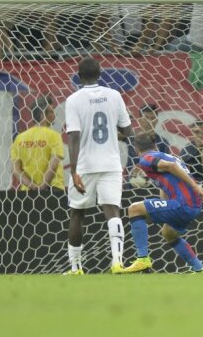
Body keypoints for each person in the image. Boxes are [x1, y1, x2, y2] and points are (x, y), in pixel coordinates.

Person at [64, 57, 134, 275]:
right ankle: (117, 263)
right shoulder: (115, 96)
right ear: (100, 74)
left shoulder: (74, 100)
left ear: (78, 76)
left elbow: (73, 136)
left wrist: (74, 171)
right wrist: (112, 134)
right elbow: (128, 131)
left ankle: (76, 268)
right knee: (113, 211)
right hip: (111, 163)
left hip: (85, 165)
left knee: (77, 213)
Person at [121, 132, 203, 274]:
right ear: (155, 145)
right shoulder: (167, 155)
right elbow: (166, 185)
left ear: (135, 148)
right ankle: (200, 270)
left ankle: (142, 259)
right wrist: (163, 210)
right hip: (194, 204)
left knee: (134, 209)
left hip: (183, 203)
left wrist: (195, 186)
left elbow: (172, 167)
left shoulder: (146, 159)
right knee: (169, 233)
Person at [11, 96, 64, 191]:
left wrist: (32, 186)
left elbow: (16, 170)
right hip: (53, 189)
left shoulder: (19, 138)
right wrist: (43, 186)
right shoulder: (54, 136)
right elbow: (53, 164)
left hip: (27, 192)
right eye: (51, 111)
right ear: (42, 114)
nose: (54, 115)